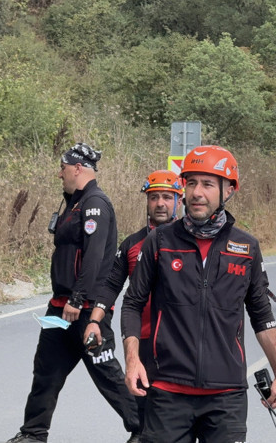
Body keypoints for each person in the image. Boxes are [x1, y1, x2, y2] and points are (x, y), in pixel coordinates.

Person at [120, 145, 276, 443]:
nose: (196, 192)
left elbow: (262, 316)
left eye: (208, 184)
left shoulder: (246, 247)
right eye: (191, 182)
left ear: (229, 191)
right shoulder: (159, 241)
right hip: (168, 391)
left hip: (226, 397)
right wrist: (132, 360)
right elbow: (132, 303)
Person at [7, 142, 141, 443]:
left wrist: (77, 300)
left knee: (105, 372)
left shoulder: (95, 204)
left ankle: (143, 429)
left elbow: (94, 257)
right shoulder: (75, 202)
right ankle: (33, 433)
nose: (60, 174)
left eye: (63, 168)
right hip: (59, 308)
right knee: (45, 371)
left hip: (85, 309)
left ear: (78, 168)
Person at [82, 169, 184, 437]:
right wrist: (94, 320)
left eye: (167, 197)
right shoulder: (132, 243)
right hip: (143, 342)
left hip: (182, 344)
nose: (160, 203)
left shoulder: (191, 242)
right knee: (144, 409)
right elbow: (111, 286)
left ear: (179, 201)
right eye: (153, 197)